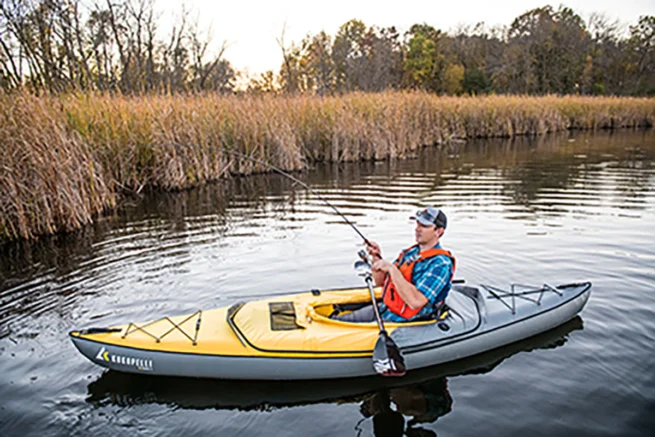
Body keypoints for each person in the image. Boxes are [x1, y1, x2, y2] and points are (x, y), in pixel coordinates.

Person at [335, 207, 455, 323]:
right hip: (386, 309)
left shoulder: (441, 264)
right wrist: (376, 258)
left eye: (424, 226)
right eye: (417, 224)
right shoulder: (410, 253)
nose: (417, 229)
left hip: (404, 321)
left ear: (438, 231)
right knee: (337, 322)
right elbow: (382, 283)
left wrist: (392, 269)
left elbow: (415, 301)